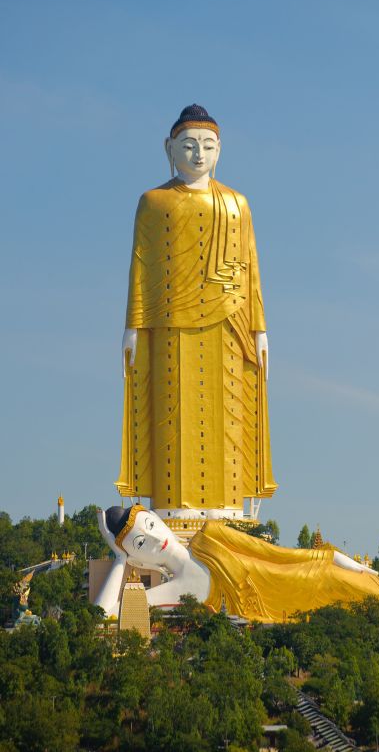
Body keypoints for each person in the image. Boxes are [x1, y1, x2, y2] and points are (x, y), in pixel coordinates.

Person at [115, 105, 276, 525]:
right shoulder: (153, 203)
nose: (198, 155)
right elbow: (140, 266)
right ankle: (170, 510)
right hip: (169, 328)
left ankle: (227, 513)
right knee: (172, 417)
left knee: (229, 416)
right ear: (170, 149)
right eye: (188, 146)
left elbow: (252, 270)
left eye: (207, 146)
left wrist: (260, 329)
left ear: (220, 150)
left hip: (228, 325)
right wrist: (133, 325)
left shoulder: (237, 204)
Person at [95, 506, 379, 624]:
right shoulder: (173, 590)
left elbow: (278, 555)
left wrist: (339, 559)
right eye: (141, 543)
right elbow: (104, 615)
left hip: (316, 577)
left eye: (149, 524)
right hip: (306, 615)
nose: (156, 536)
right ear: (137, 555)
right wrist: (119, 564)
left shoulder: (211, 535)